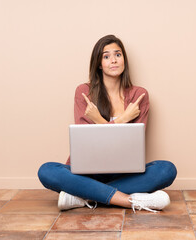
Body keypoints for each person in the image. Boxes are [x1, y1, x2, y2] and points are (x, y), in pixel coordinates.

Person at [38, 35, 177, 213]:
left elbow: (133, 143)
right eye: (106, 56)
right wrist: (123, 119)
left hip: (125, 172)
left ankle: (83, 196)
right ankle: (129, 200)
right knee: (47, 170)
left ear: (124, 59)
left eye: (118, 55)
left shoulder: (139, 95)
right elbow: (86, 143)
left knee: (166, 170)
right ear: (98, 63)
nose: (113, 60)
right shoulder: (84, 92)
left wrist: (99, 120)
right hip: (87, 172)